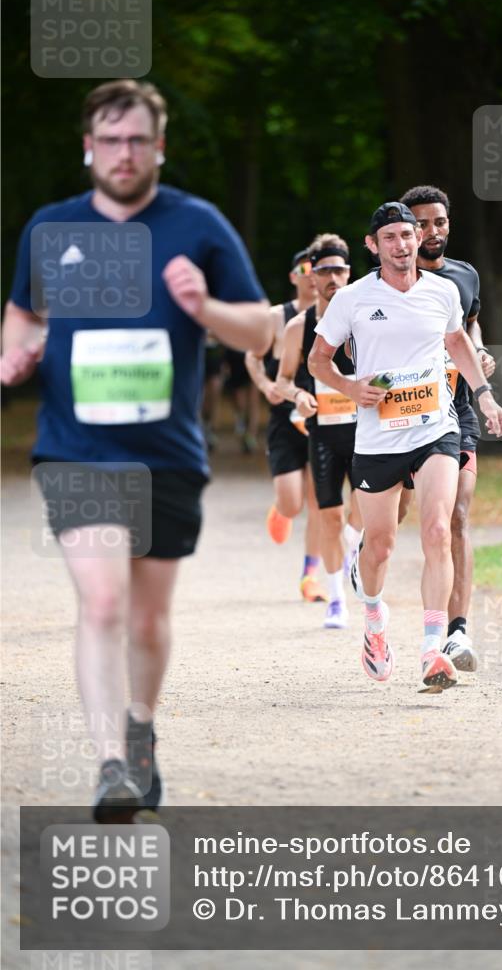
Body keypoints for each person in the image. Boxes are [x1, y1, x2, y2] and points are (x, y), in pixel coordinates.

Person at [0, 79, 272, 820]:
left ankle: (140, 731)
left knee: (147, 620)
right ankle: (111, 764)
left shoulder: (197, 225)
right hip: (75, 449)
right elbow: (21, 317)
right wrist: (15, 357)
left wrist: (205, 308)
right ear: (89, 146)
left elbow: (261, 330)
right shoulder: (50, 227)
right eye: (110, 140)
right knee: (102, 600)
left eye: (138, 140)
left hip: (167, 454)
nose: (124, 153)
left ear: (159, 146)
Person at [309, 202, 502, 691]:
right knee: (379, 546)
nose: (403, 244)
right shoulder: (353, 299)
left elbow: (459, 343)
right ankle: (374, 623)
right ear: (373, 246)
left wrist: (485, 398)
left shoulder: (442, 291)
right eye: (392, 237)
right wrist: (352, 388)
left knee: (439, 529)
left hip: (434, 428)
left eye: (408, 234)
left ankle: (432, 649)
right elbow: (319, 360)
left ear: (418, 240)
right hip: (378, 435)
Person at [399, 184, 496, 671]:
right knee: (391, 519)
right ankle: (362, 554)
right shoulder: (386, 283)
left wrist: (477, 352)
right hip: (400, 415)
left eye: (439, 222)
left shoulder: (465, 276)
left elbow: (469, 326)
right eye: (421, 223)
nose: (431, 232)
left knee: (454, 518)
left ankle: (455, 633)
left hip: (455, 412)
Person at [277, 234, 362, 629]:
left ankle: (353, 555)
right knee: (329, 518)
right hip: (324, 434)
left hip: (368, 434)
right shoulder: (299, 327)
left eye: (339, 269)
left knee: (363, 519)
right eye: (324, 270)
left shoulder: (368, 319)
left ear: (349, 272)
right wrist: (298, 396)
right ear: (312, 275)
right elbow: (281, 382)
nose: (332, 277)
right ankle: (336, 599)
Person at [245, 249, 327, 602]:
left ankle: (310, 576)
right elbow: (252, 356)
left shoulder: (336, 315)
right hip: (285, 418)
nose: (311, 274)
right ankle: (281, 509)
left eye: (318, 268)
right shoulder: (278, 318)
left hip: (322, 415)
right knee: (294, 503)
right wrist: (266, 387)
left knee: (320, 501)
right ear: (294, 277)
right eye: (304, 269)